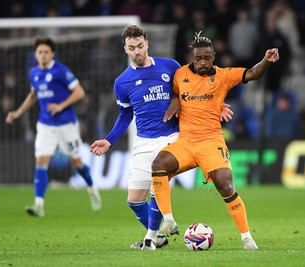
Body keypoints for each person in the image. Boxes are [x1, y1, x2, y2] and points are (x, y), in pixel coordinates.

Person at [89, 25, 233, 251]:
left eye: (139, 46)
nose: (137, 51)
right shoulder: (122, 82)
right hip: (143, 141)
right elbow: (126, 114)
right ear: (125, 49)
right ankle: (159, 238)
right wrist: (109, 140)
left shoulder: (170, 66)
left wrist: (214, 104)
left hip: (172, 137)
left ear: (146, 43)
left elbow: (192, 88)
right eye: (131, 48)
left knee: (158, 185)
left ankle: (150, 239)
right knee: (134, 200)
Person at [151, 32, 279, 250]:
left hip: (211, 141)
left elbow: (253, 74)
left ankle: (247, 237)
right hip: (187, 142)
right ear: (192, 56)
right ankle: (169, 220)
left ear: (214, 57)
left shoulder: (224, 76)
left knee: (225, 184)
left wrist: (266, 60)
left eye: (207, 58)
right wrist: (175, 101)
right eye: (198, 58)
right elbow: (175, 92)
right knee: (158, 164)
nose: (202, 62)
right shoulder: (180, 74)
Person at [5, 37, 102, 218]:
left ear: (52, 54)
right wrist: (17, 113)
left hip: (66, 124)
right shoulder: (33, 73)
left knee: (77, 163)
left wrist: (61, 105)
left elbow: (79, 92)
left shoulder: (61, 71)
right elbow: (33, 96)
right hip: (45, 125)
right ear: (35, 54)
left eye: (46, 52)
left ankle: (92, 188)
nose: (42, 55)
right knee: (41, 162)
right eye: (39, 52)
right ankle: (39, 204)